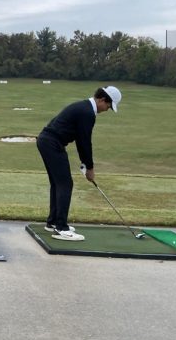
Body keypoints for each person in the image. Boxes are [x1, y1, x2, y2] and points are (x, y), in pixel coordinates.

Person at [36, 85, 122, 241]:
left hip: (47, 141)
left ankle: (53, 222)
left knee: (57, 184)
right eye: (108, 106)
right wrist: (89, 167)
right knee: (65, 184)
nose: (107, 110)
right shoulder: (88, 113)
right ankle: (61, 228)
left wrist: (85, 163)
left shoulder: (83, 107)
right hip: (52, 143)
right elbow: (84, 142)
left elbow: (80, 140)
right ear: (102, 99)